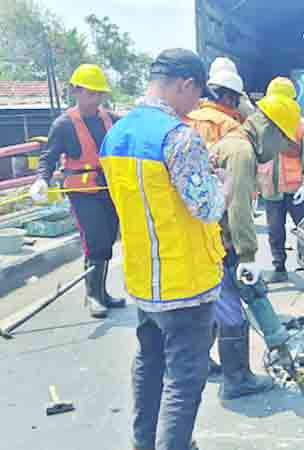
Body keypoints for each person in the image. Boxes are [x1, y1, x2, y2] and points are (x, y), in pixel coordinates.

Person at [99, 48, 232, 450]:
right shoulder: (178, 137)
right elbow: (207, 207)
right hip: (184, 282)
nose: (196, 106)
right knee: (185, 378)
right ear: (183, 84)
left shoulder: (115, 134)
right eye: (196, 95)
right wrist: (222, 183)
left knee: (149, 361)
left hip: (144, 277)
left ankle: (143, 441)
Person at [207, 81, 302, 401]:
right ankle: (236, 380)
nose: (278, 152)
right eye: (282, 143)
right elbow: (239, 210)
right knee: (235, 306)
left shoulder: (235, 142)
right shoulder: (242, 152)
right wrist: (247, 256)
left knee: (219, 304)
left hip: (217, 240)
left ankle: (208, 364)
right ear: (270, 130)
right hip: (223, 245)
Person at [30, 64, 125, 319]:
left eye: (99, 94)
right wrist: (42, 180)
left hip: (108, 189)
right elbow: (48, 157)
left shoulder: (111, 120)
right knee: (94, 240)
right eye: (91, 93)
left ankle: (102, 293)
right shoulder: (64, 124)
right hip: (82, 193)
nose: (96, 99)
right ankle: (92, 296)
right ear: (77, 91)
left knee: (107, 239)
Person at [186, 56, 249, 379]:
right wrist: (244, 244)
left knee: (204, 299)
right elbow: (235, 194)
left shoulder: (186, 119)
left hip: (190, 225)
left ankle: (200, 361)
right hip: (220, 226)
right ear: (228, 97)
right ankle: (237, 379)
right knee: (228, 304)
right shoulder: (230, 128)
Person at [258, 77, 304, 283]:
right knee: (275, 231)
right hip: (271, 188)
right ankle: (279, 267)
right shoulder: (262, 125)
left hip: (295, 189)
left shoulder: (302, 126)